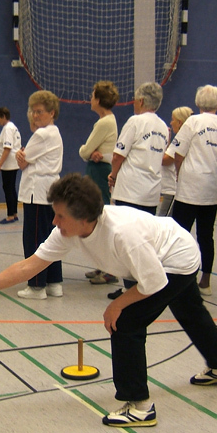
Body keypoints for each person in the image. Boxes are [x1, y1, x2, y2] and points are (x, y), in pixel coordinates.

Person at [0, 173, 217, 428]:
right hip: (154, 257)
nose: (54, 221)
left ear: (85, 218)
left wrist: (117, 304)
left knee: (125, 322)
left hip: (175, 259)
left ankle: (139, 406)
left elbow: (154, 283)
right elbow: (29, 266)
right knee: (189, 309)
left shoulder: (123, 235)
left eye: (60, 216)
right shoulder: (68, 231)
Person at [165, 86, 217, 297]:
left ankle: (179, 276)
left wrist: (179, 172)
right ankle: (206, 280)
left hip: (190, 188)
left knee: (180, 232)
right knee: (206, 234)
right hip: (212, 189)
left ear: (197, 103)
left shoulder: (192, 123)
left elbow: (178, 153)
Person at [107, 82, 170, 299]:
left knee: (125, 239)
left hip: (130, 190)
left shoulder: (135, 122)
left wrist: (113, 175)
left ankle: (129, 288)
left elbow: (118, 155)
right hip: (151, 190)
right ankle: (143, 284)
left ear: (141, 101)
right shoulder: (163, 127)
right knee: (144, 240)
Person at [14, 90, 64, 300]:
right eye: (33, 112)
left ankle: (36, 286)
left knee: (35, 239)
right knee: (51, 237)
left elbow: (24, 160)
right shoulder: (54, 132)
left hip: (38, 191)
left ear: (52, 112)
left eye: (40, 112)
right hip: (49, 190)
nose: (35, 116)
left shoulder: (42, 134)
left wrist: (21, 156)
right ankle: (54, 282)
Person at [79, 81, 119, 285]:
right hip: (98, 169)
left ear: (99, 100)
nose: (90, 98)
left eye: (93, 95)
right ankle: (103, 265)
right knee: (98, 217)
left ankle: (110, 268)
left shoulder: (104, 123)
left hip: (100, 171)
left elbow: (85, 151)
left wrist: (90, 152)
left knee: (101, 217)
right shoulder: (107, 121)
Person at [158, 106, 192, 217]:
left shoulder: (180, 141)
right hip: (171, 189)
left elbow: (165, 160)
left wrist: (163, 141)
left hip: (172, 190)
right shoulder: (180, 140)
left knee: (163, 220)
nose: (171, 123)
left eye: (173, 120)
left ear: (179, 122)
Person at [0, 107, 22, 224]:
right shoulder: (13, 127)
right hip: (12, 164)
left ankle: (10, 215)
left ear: (3, 116)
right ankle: (14, 213)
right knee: (11, 188)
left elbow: (7, 148)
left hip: (8, 165)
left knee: (8, 189)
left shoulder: (8, 129)